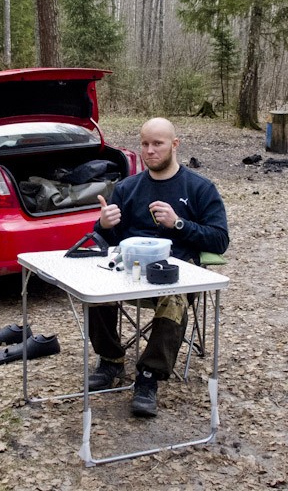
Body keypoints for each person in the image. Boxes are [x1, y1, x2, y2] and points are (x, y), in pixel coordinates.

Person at [88, 118, 229, 417]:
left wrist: (178, 223)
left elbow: (219, 240)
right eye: (145, 144)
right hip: (129, 272)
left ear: (174, 145)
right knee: (94, 286)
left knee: (175, 299)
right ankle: (110, 360)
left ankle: (149, 377)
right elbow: (105, 240)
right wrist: (103, 225)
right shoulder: (127, 188)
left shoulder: (199, 188)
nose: (149, 151)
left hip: (175, 274)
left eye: (157, 144)